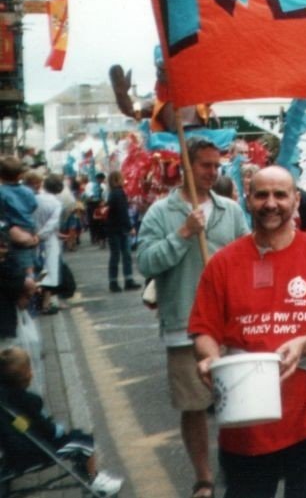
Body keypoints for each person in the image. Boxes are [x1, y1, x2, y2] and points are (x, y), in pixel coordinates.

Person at [191, 166, 306, 497]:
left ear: (296, 200)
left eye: (280, 195)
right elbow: (203, 330)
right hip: (245, 411)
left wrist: (304, 343)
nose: (271, 203)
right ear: (248, 200)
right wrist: (209, 359)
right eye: (261, 195)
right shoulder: (223, 263)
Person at [137, 139, 249, 498]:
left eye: (217, 166)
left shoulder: (230, 210)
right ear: (185, 166)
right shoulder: (160, 213)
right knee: (194, 406)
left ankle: (238, 467)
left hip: (230, 324)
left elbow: (249, 257)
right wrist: (183, 234)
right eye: (205, 166)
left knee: (239, 403)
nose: (213, 173)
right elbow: (147, 264)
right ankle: (203, 477)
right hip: (184, 325)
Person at [0, 346, 123, 496]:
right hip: (38, 449)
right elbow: (48, 430)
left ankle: (87, 474)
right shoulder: (30, 401)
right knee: (84, 441)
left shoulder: (5, 398)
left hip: (18, 448)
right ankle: (94, 480)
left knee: (76, 437)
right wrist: (58, 429)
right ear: (27, 376)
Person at [29, 173, 64, 314]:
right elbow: (52, 223)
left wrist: (34, 235)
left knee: (37, 270)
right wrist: (41, 235)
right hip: (48, 240)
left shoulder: (34, 199)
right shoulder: (56, 203)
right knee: (49, 271)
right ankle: (46, 303)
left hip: (31, 239)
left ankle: (36, 301)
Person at [0, 156, 40, 277]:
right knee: (31, 256)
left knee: (21, 262)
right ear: (20, 175)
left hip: (13, 229)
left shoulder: (2, 192)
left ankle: (29, 281)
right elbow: (34, 205)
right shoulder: (28, 191)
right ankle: (34, 276)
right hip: (29, 226)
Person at [106, 171, 140, 294]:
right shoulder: (120, 193)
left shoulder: (111, 194)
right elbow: (123, 213)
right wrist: (130, 227)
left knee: (115, 256)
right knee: (126, 255)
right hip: (121, 229)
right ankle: (128, 280)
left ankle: (113, 281)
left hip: (112, 228)